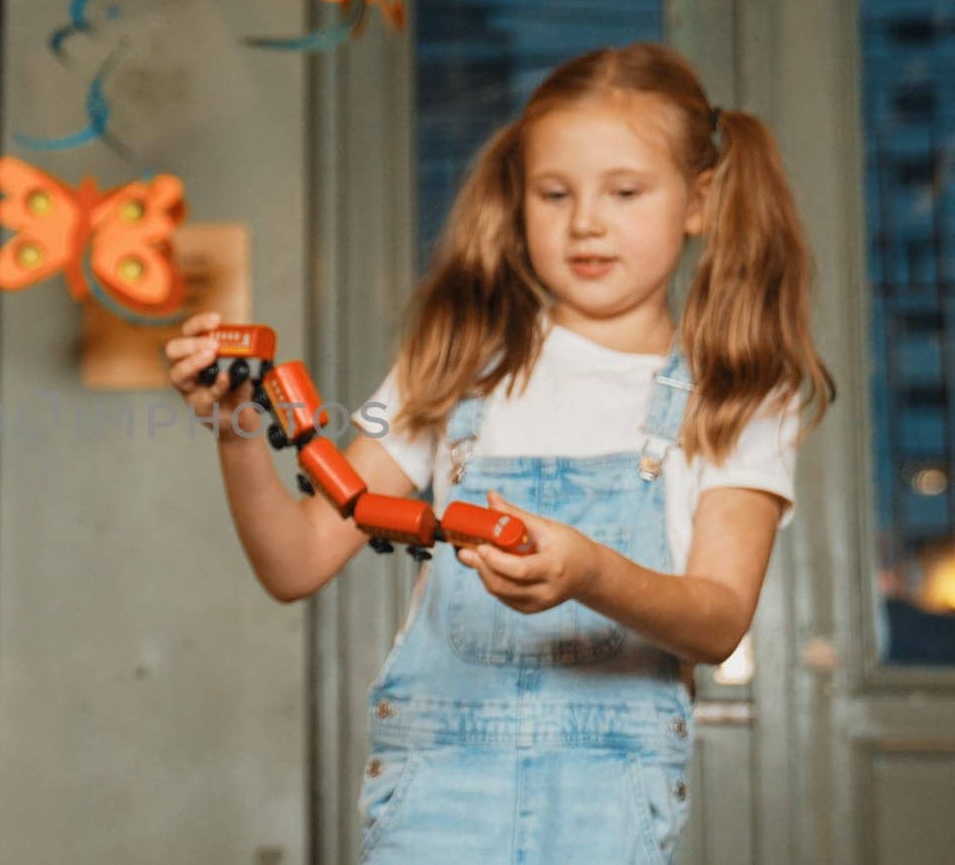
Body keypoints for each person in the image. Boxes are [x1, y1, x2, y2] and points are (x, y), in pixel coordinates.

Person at [166, 43, 832, 863]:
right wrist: (237, 425)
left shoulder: (736, 391)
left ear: (698, 201)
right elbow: (295, 560)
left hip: (606, 816)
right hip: (432, 802)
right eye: (554, 194)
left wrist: (590, 572)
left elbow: (718, 619)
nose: (586, 221)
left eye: (624, 192)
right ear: (518, 201)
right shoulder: (456, 365)